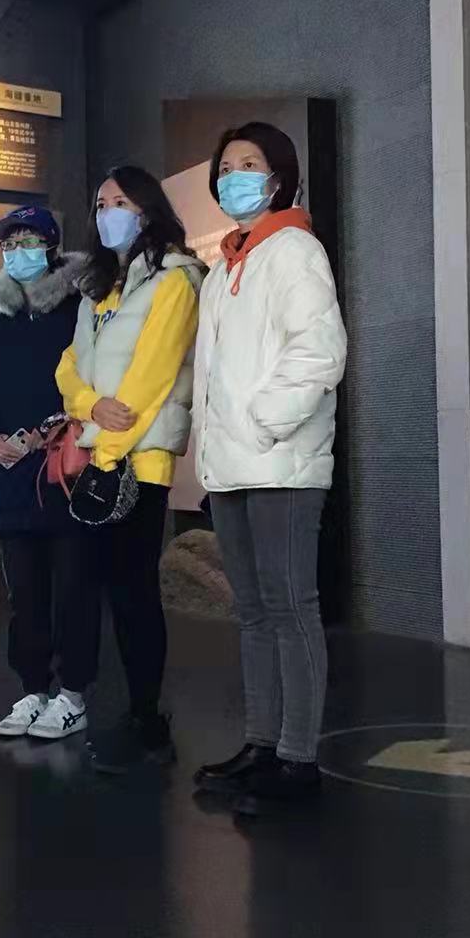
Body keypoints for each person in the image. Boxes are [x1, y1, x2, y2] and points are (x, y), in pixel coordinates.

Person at [190, 122, 347, 810]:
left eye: (249, 164)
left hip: (280, 461)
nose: (235, 176)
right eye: (226, 167)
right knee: (253, 611)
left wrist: (263, 422)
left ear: (279, 178)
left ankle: (298, 759)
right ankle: (262, 744)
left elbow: (319, 351)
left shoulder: (294, 250)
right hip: (230, 464)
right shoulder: (224, 268)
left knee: (290, 607)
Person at [56, 167, 206, 773]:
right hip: (100, 454)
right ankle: (120, 710)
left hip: (137, 463)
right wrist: (89, 407)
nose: (108, 212)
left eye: (119, 201)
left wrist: (105, 448)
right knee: (96, 588)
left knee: (134, 592)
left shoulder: (176, 277)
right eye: (100, 203)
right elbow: (69, 366)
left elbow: (153, 376)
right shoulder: (98, 288)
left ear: (147, 209)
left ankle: (147, 719)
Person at [0, 205, 97, 742]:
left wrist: (51, 430)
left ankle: (73, 695)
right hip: (8, 475)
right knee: (23, 593)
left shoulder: (79, 309)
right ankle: (32, 689)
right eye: (9, 244)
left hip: (64, 468)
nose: (17, 252)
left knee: (73, 588)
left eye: (27, 241)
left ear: (50, 246)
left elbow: (92, 379)